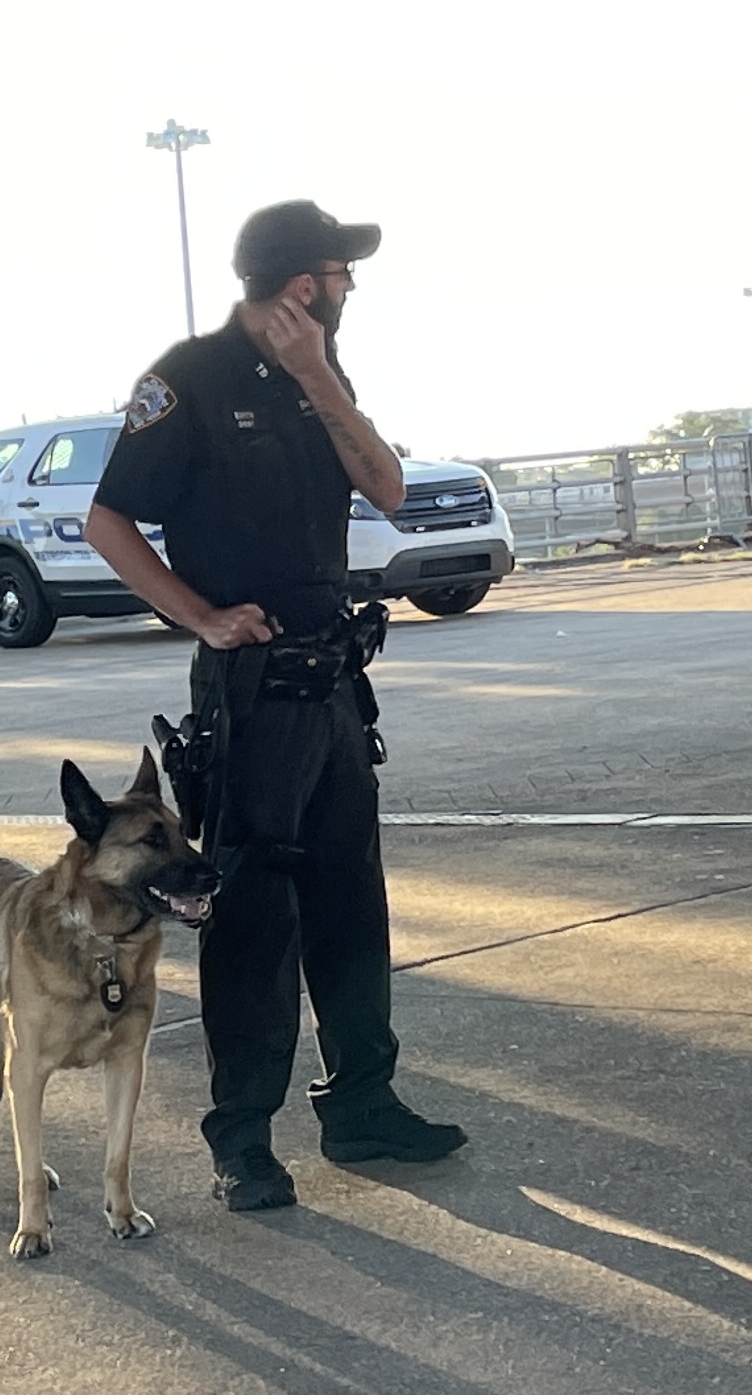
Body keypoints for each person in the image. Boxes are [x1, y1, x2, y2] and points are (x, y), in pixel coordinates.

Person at [84, 199, 467, 1212]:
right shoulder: (189, 379)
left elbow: (386, 487)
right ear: (303, 283)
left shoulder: (322, 376)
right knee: (253, 918)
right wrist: (201, 618)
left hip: (333, 683)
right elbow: (107, 520)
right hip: (249, 693)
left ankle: (363, 1107)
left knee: (350, 904)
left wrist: (316, 377)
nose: (347, 289)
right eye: (340, 273)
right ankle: (243, 1140)